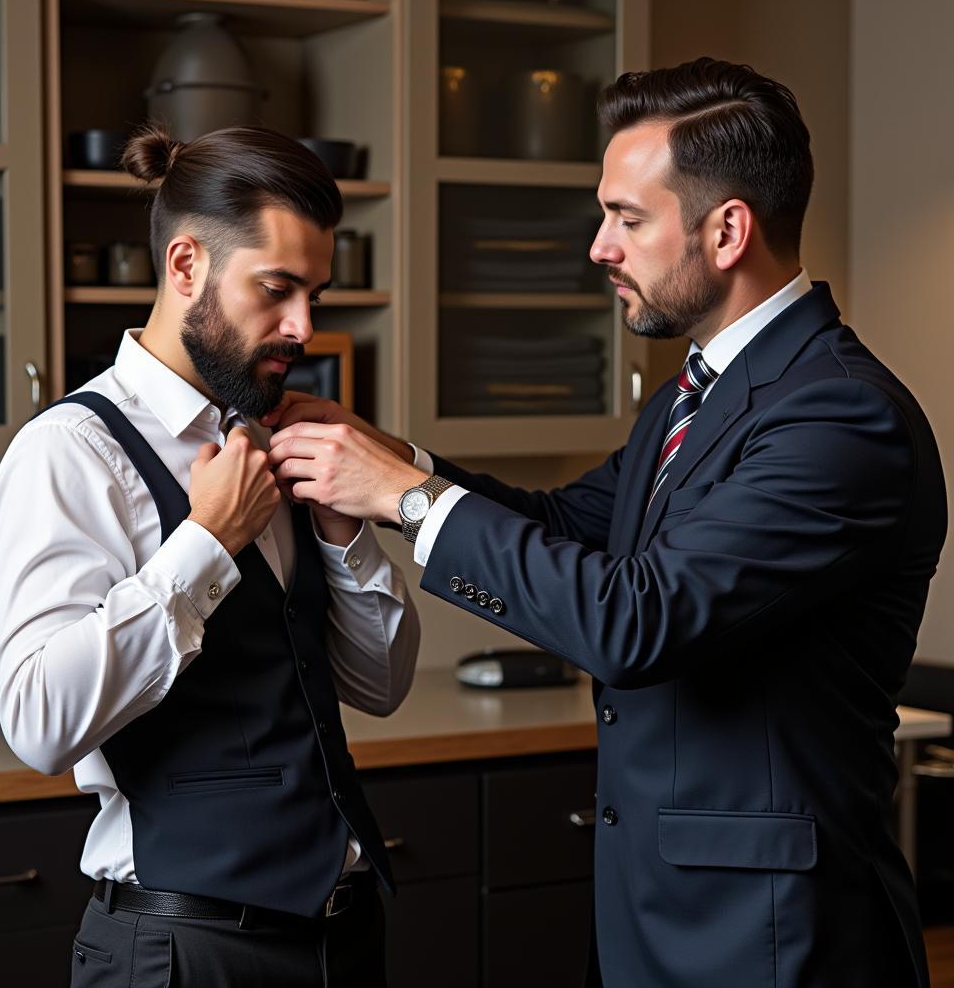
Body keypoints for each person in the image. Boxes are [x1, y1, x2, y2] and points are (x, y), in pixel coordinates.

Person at [262, 59, 947, 987]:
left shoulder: (841, 418)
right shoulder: (687, 399)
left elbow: (638, 621)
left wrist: (404, 498)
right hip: (659, 916)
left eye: (627, 218)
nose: (599, 247)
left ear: (728, 230)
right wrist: (392, 457)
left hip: (777, 940)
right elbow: (567, 524)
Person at [0, 125, 420, 988]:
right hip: (187, 953)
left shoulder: (269, 435)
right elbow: (35, 720)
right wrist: (206, 545)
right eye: (278, 290)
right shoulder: (67, 452)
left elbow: (381, 688)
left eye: (315, 296)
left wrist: (342, 529)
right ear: (186, 267)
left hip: (342, 939)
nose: (305, 328)